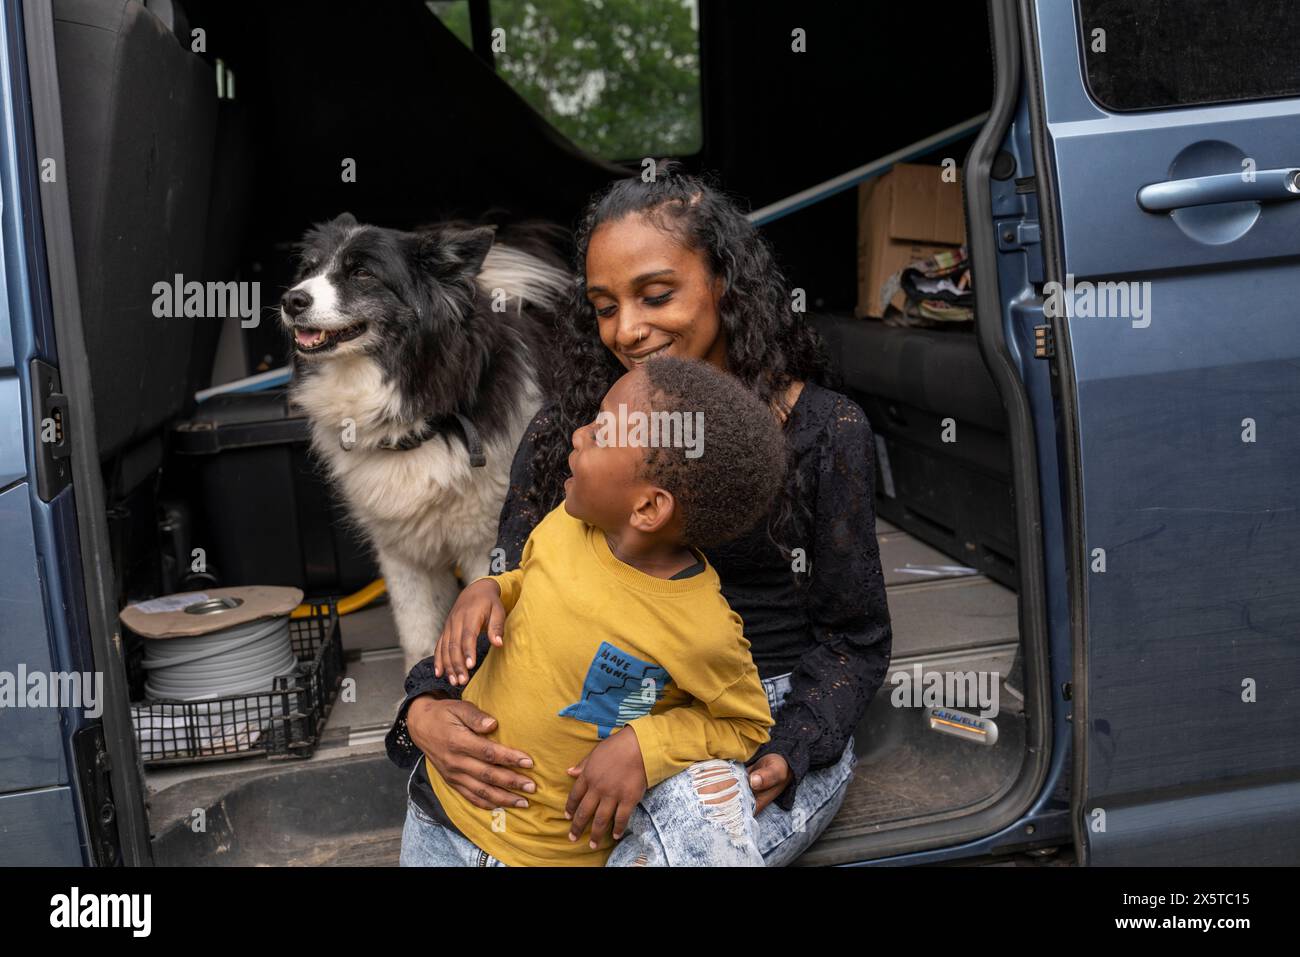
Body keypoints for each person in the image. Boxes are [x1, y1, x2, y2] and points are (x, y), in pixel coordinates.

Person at [387, 160, 894, 866]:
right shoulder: (571, 436)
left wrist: (794, 742)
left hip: (752, 717)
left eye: (656, 294)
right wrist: (424, 708)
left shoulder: (824, 432)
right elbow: (508, 603)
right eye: (603, 306)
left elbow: (855, 638)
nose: (627, 330)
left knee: (688, 821)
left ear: (723, 281)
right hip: (601, 702)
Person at [401, 357, 787, 866]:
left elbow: (746, 726)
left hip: (551, 855)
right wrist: (492, 588)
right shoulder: (565, 521)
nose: (580, 434)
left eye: (603, 432)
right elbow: (531, 581)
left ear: (648, 508)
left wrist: (644, 746)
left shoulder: (702, 630)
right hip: (440, 818)